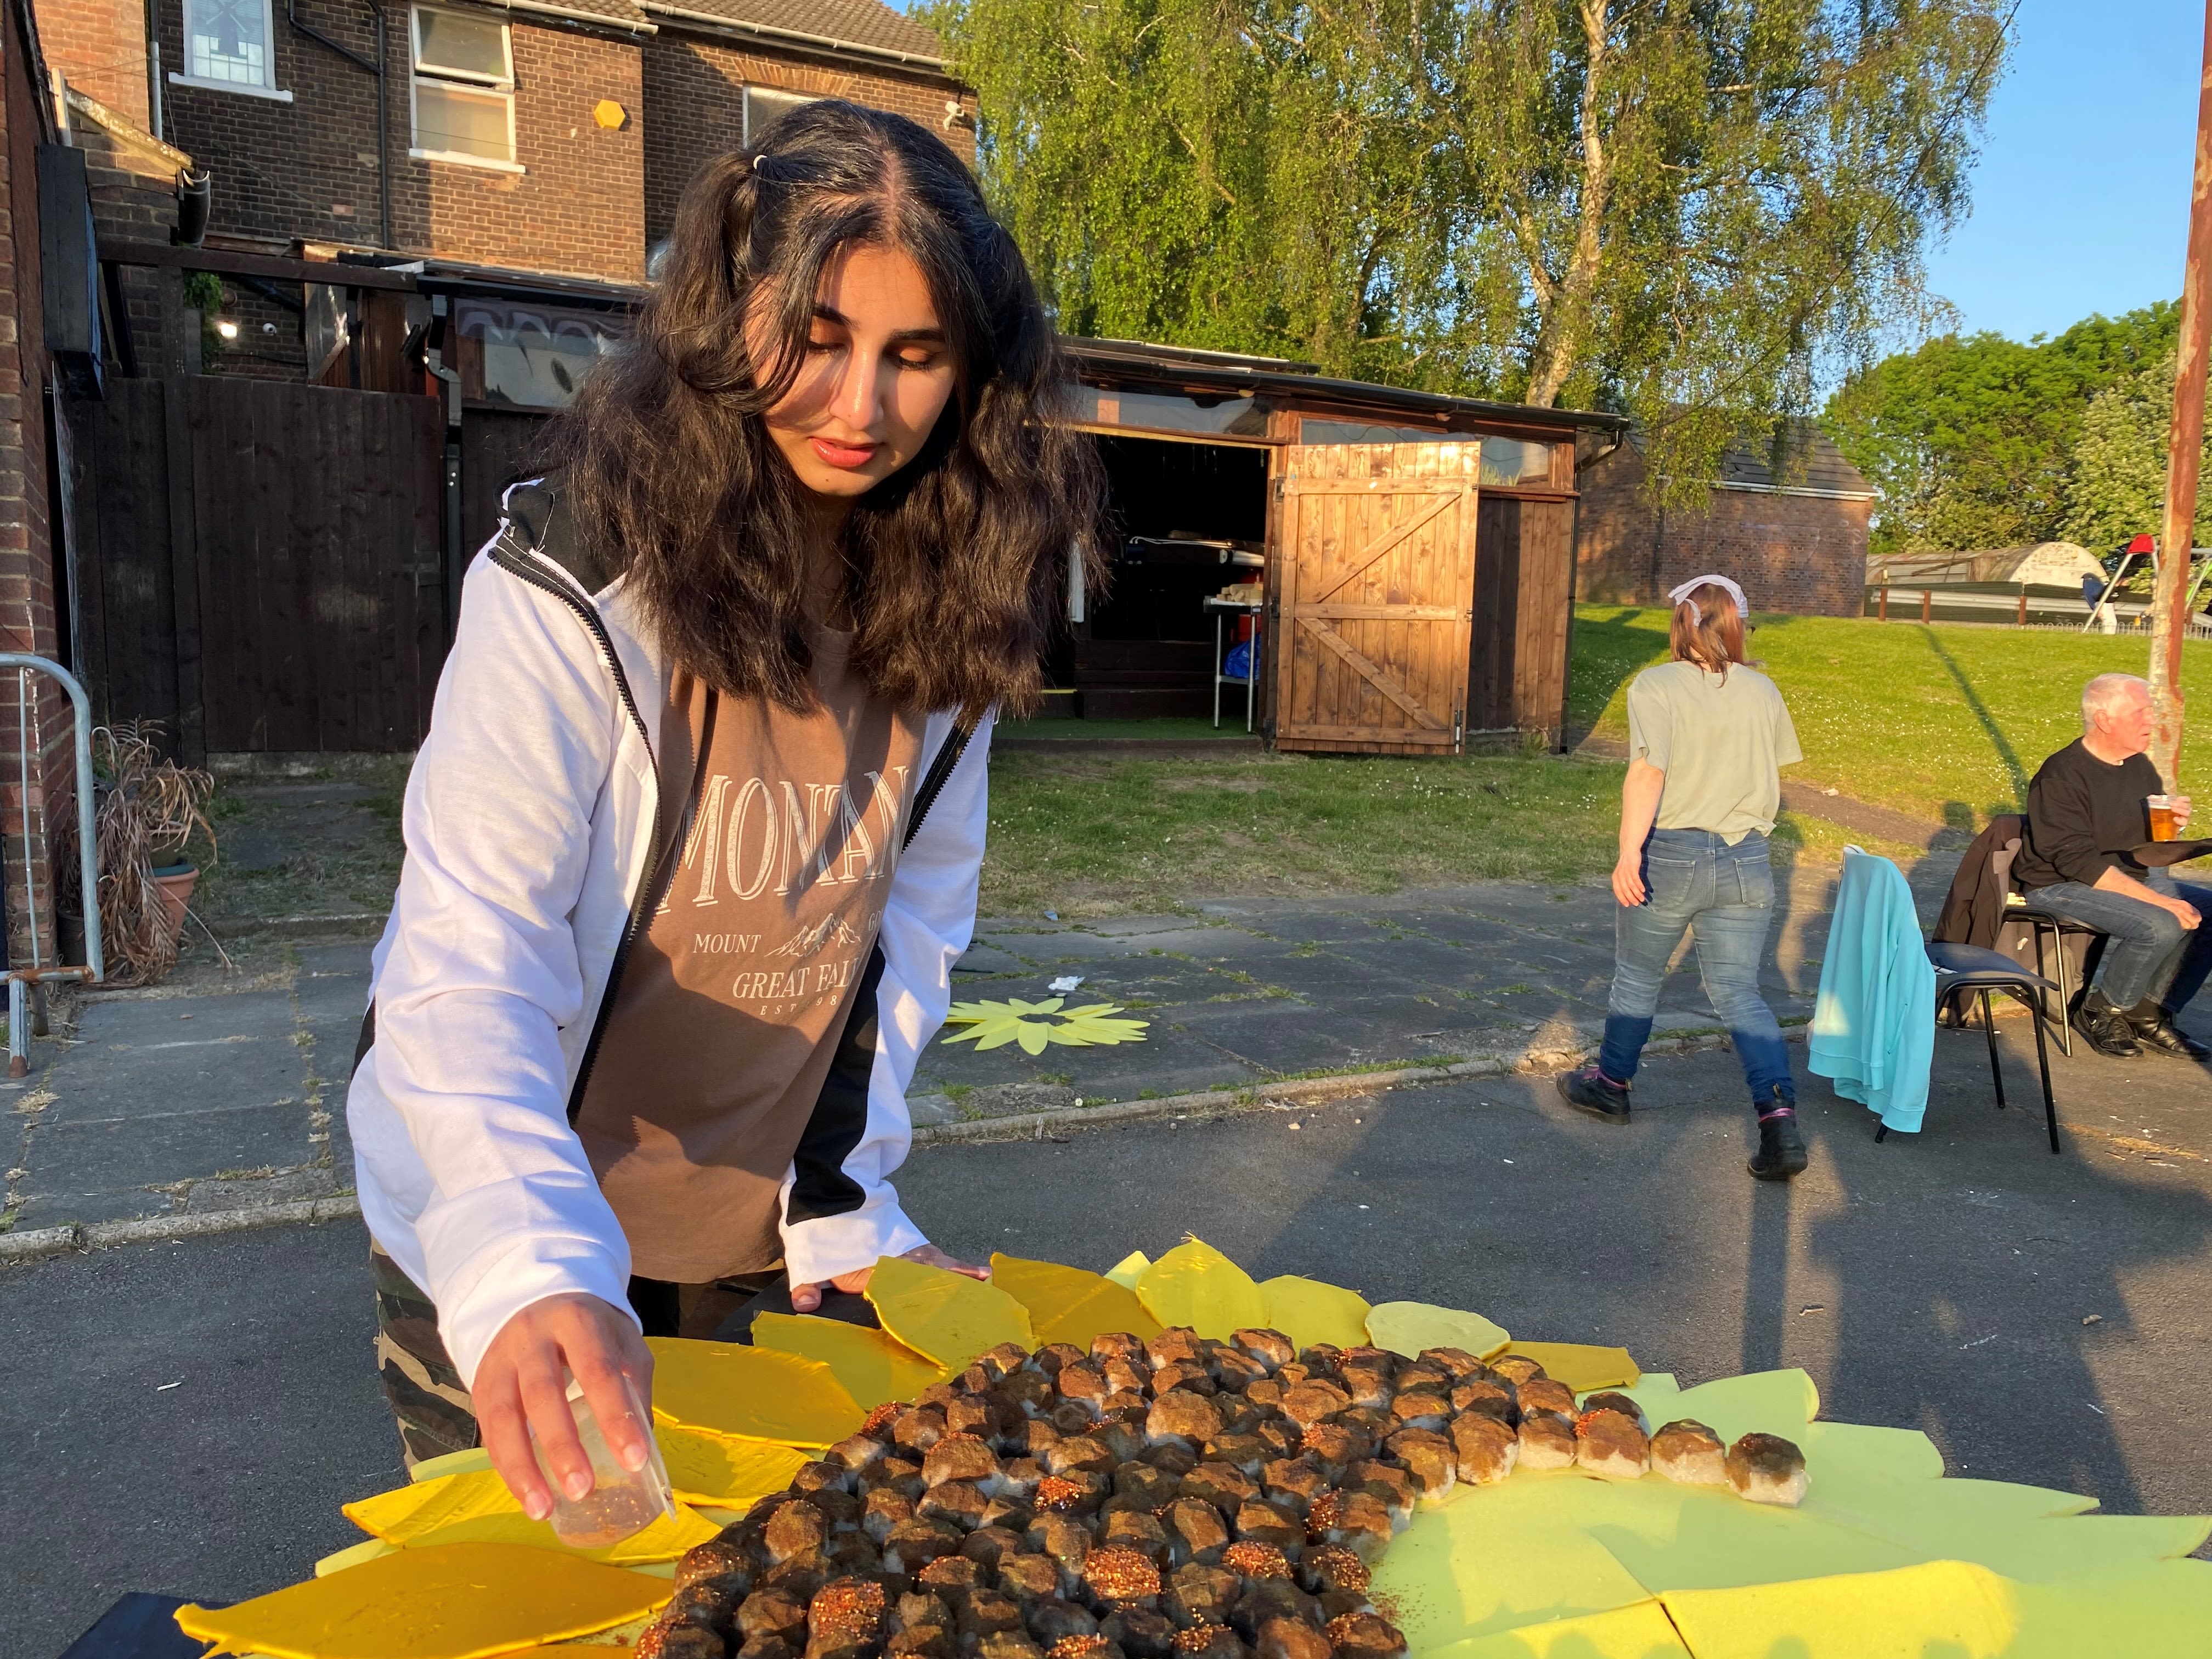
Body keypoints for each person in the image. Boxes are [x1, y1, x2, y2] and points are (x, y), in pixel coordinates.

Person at [346, 102, 1101, 1518]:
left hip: (750, 1242)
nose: (860, 404)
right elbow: (464, 966)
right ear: (728, 309)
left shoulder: (954, 627)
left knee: (758, 1587)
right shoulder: (566, 588)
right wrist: (524, 1265)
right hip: (515, 1220)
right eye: (816, 335)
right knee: (555, 1598)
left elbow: (898, 952)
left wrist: (849, 1211)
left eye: (914, 356)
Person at [1556, 575, 1809, 1181]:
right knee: (1739, 993)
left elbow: (1648, 774)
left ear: (1684, 622)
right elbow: (1769, 769)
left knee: (1639, 978)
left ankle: (1611, 1084)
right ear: (1735, 625)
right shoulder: (1763, 690)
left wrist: (1627, 853)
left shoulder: (1656, 685)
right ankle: (1779, 1123)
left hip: (1672, 854)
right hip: (1748, 858)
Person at [2013, 673, 2212, 1060]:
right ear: (2105, 720)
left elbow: (2144, 842)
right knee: (2160, 924)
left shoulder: (2138, 767)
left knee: (2209, 911)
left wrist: (2175, 824)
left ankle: (2149, 1011)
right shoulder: (2061, 775)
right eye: (2141, 713)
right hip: (2059, 883)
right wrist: (2163, 902)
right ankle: (2104, 1010)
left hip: (2123, 875)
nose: (2151, 721)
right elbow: (2077, 861)